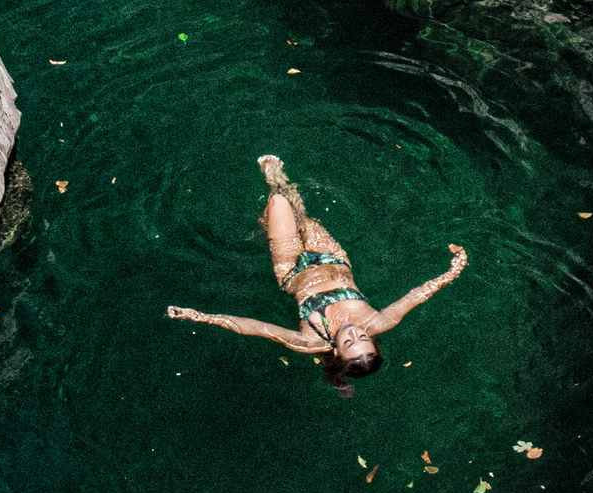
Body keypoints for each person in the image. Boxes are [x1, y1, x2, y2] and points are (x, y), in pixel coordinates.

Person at [167, 155, 466, 396]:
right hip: (332, 257)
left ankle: (273, 185)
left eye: (349, 342)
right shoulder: (380, 321)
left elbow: (256, 327)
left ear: (336, 351)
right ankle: (277, 192)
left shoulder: (310, 341)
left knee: (279, 204)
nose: (353, 332)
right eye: (363, 337)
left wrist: (199, 316)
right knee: (303, 215)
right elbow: (418, 294)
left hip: (290, 267)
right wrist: (454, 269)